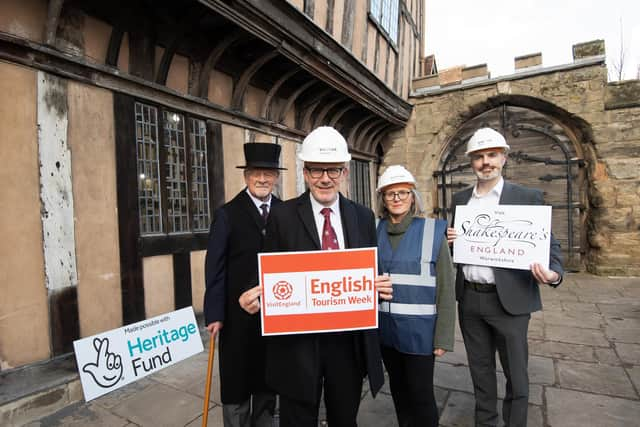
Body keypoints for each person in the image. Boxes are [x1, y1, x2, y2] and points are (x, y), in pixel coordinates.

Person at [262, 126, 393, 427]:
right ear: (305, 173)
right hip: (299, 342)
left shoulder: (362, 216)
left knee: (344, 417)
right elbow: (271, 276)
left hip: (347, 343)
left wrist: (377, 284)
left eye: (333, 170)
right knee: (297, 418)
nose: (325, 178)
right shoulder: (281, 217)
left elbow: (368, 270)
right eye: (317, 170)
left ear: (345, 172)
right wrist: (261, 295)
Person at [447, 127, 564, 427]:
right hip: (470, 299)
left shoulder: (526, 197)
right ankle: (485, 422)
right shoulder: (460, 200)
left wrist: (553, 274)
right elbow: (456, 248)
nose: (486, 162)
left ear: (504, 158)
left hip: (510, 302)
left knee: (517, 375)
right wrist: (449, 241)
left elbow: (549, 244)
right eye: (478, 157)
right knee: (480, 370)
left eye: (492, 155)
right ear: (471, 162)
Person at [204, 142, 286, 427]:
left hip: (274, 313)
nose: (262, 179)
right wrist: (214, 314)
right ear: (246, 176)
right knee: (237, 382)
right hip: (237, 318)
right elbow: (214, 268)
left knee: (268, 379)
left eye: (268, 173)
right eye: (255, 173)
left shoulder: (287, 213)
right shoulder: (227, 214)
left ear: (276, 177)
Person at [375, 165, 456, 427]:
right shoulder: (372, 231)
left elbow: (446, 288)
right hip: (385, 333)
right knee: (398, 394)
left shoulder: (433, 232)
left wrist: (443, 335)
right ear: (383, 200)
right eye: (390, 194)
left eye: (403, 192)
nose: (397, 198)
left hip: (420, 333)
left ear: (412, 197)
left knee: (421, 397)